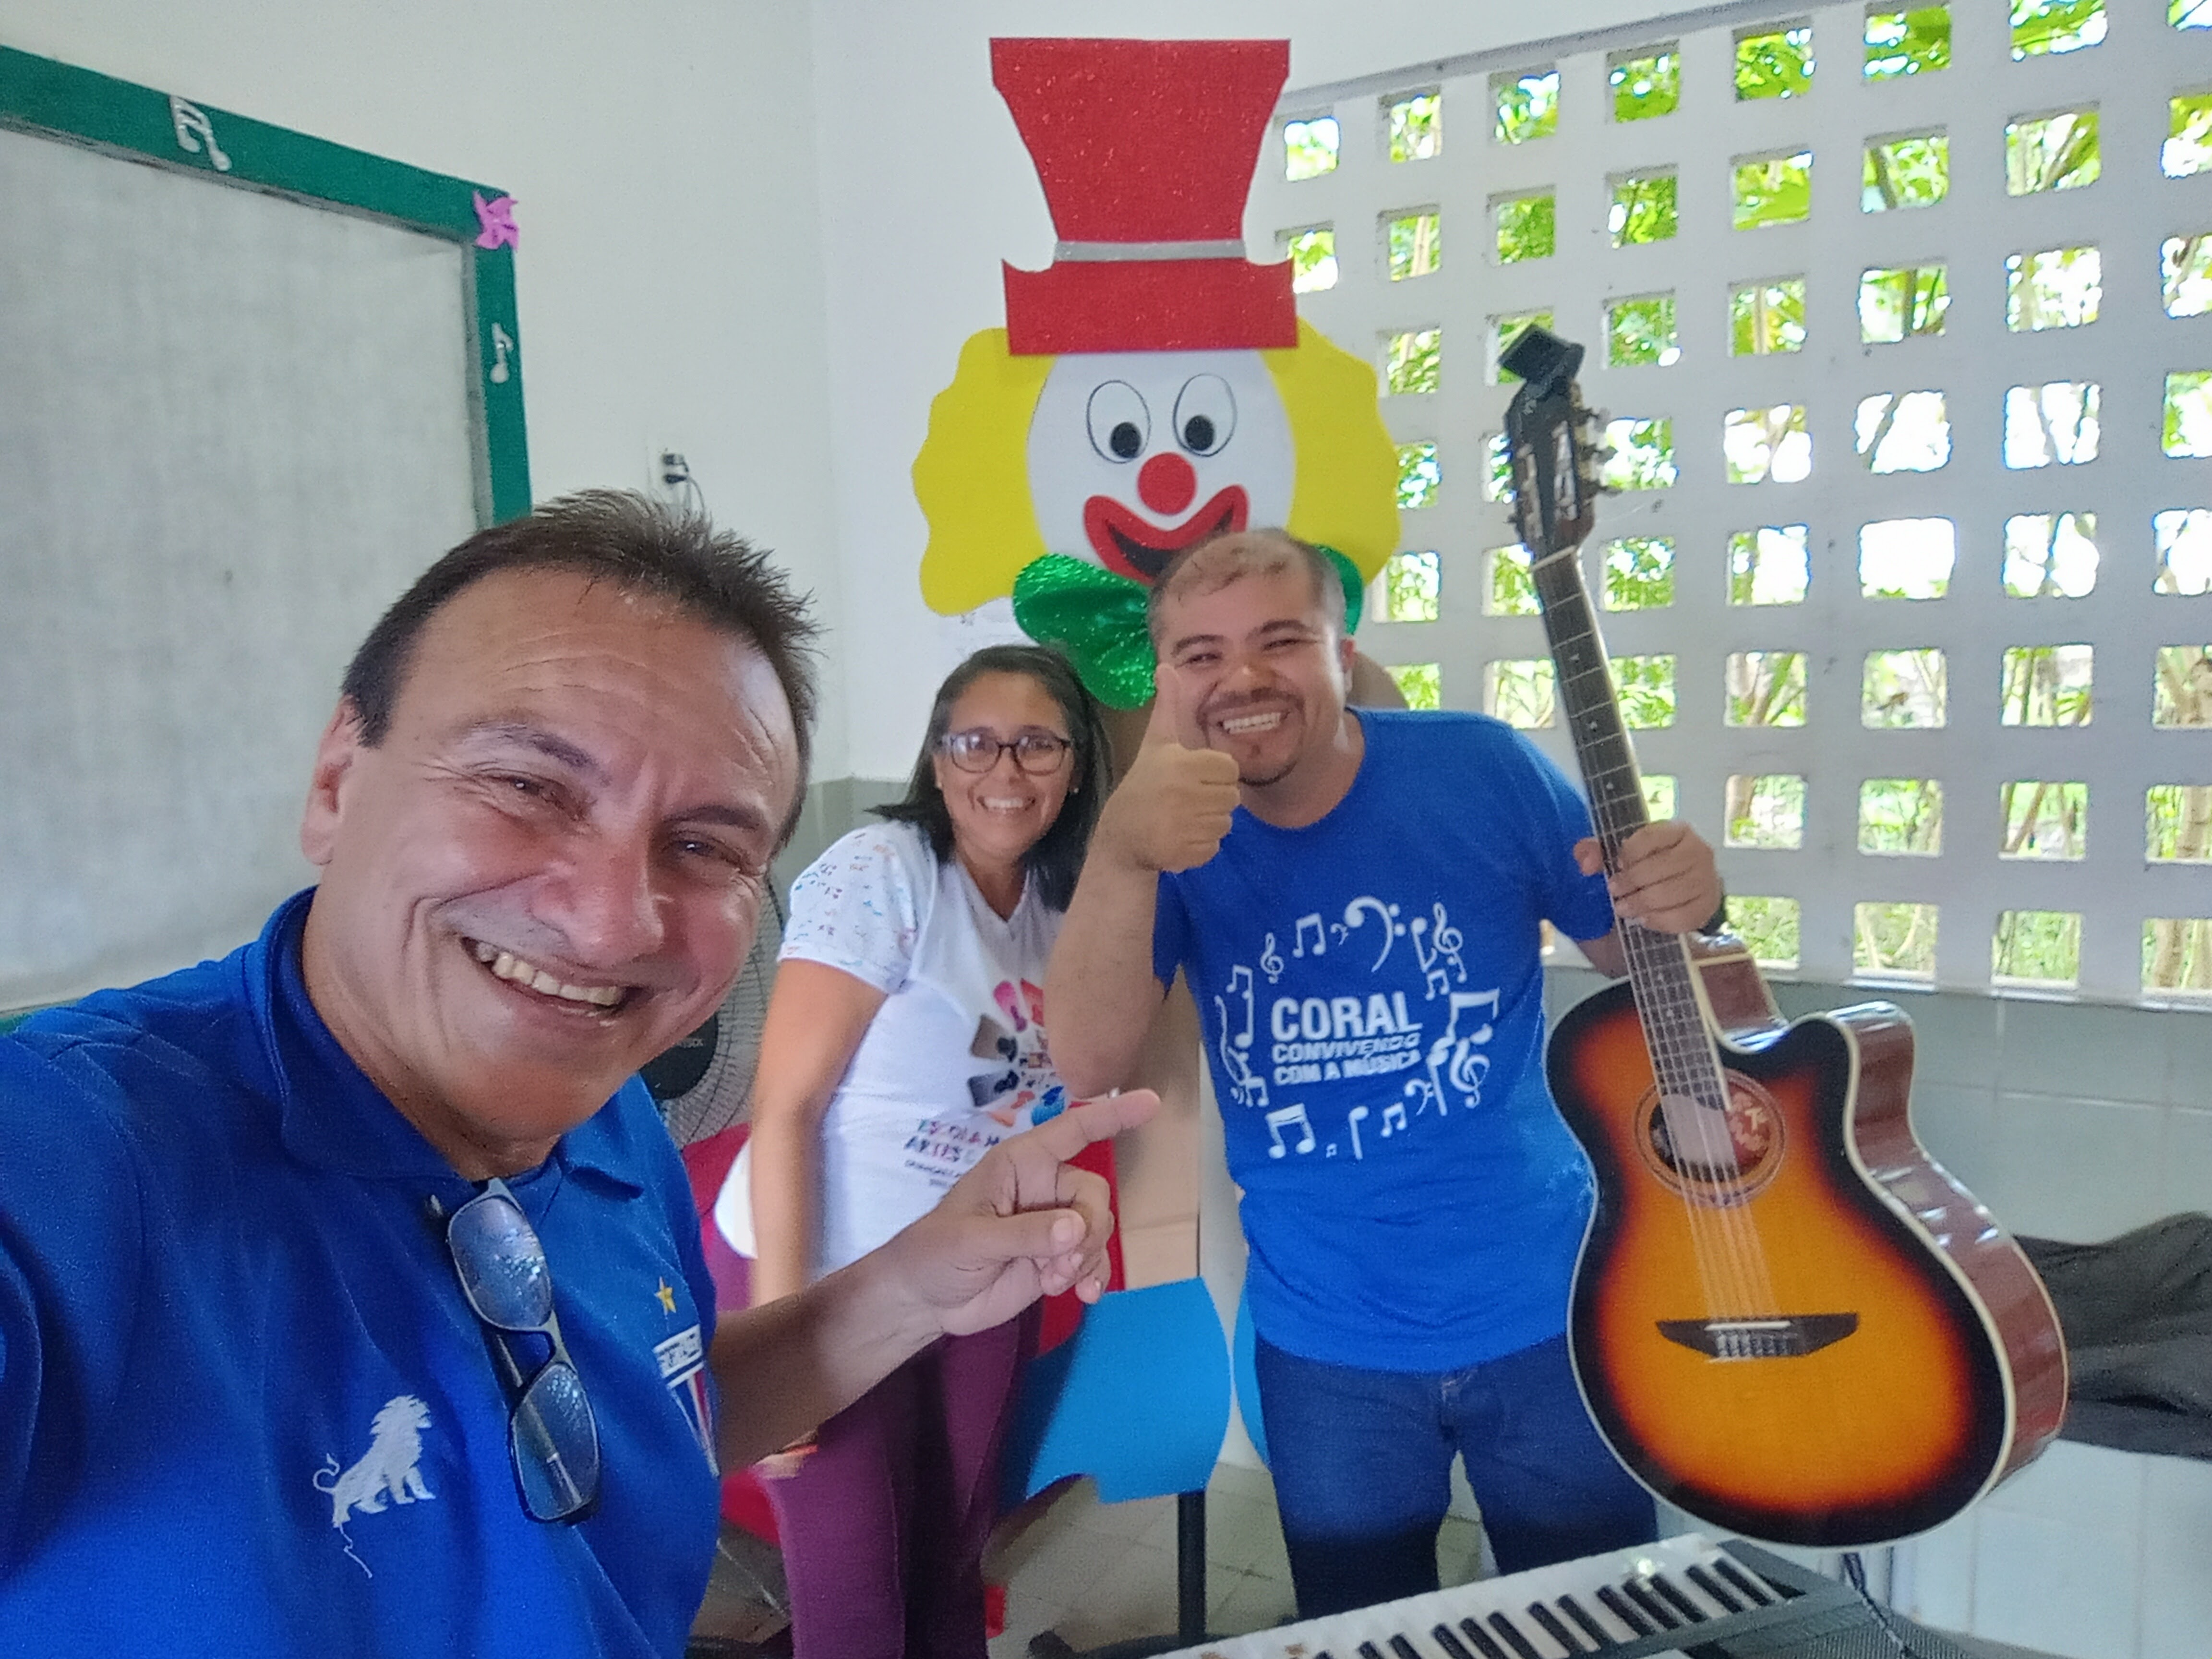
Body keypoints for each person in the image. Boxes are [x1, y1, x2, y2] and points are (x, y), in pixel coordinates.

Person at [0, 492, 1149, 1659]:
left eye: (703, 846)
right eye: (527, 787)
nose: (610, 927)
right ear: (338, 779)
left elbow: (652, 1409)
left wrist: (913, 1284)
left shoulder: (611, 1117)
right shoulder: (80, 1154)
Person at [1045, 528, 1724, 1620]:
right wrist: (1122, 850)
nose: (1243, 678)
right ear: (1166, 681)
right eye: (1203, 655)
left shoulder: (1482, 768)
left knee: (1597, 1626)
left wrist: (1693, 899)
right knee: (1364, 1630)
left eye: (1281, 641)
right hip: (1327, 1347)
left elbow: (1638, 957)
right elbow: (1086, 1058)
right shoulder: (1163, 835)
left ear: (1343, 652)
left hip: (1547, 1311)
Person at [715, 643, 1108, 1659]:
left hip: (976, 1278)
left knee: (951, 1563)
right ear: (937, 760)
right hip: (825, 1272)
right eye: (975, 742)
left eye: (1037, 744)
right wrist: (787, 1339)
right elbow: (786, 1107)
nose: (1004, 770)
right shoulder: (884, 872)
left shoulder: (1066, 907)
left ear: (1075, 767)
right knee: (858, 1605)